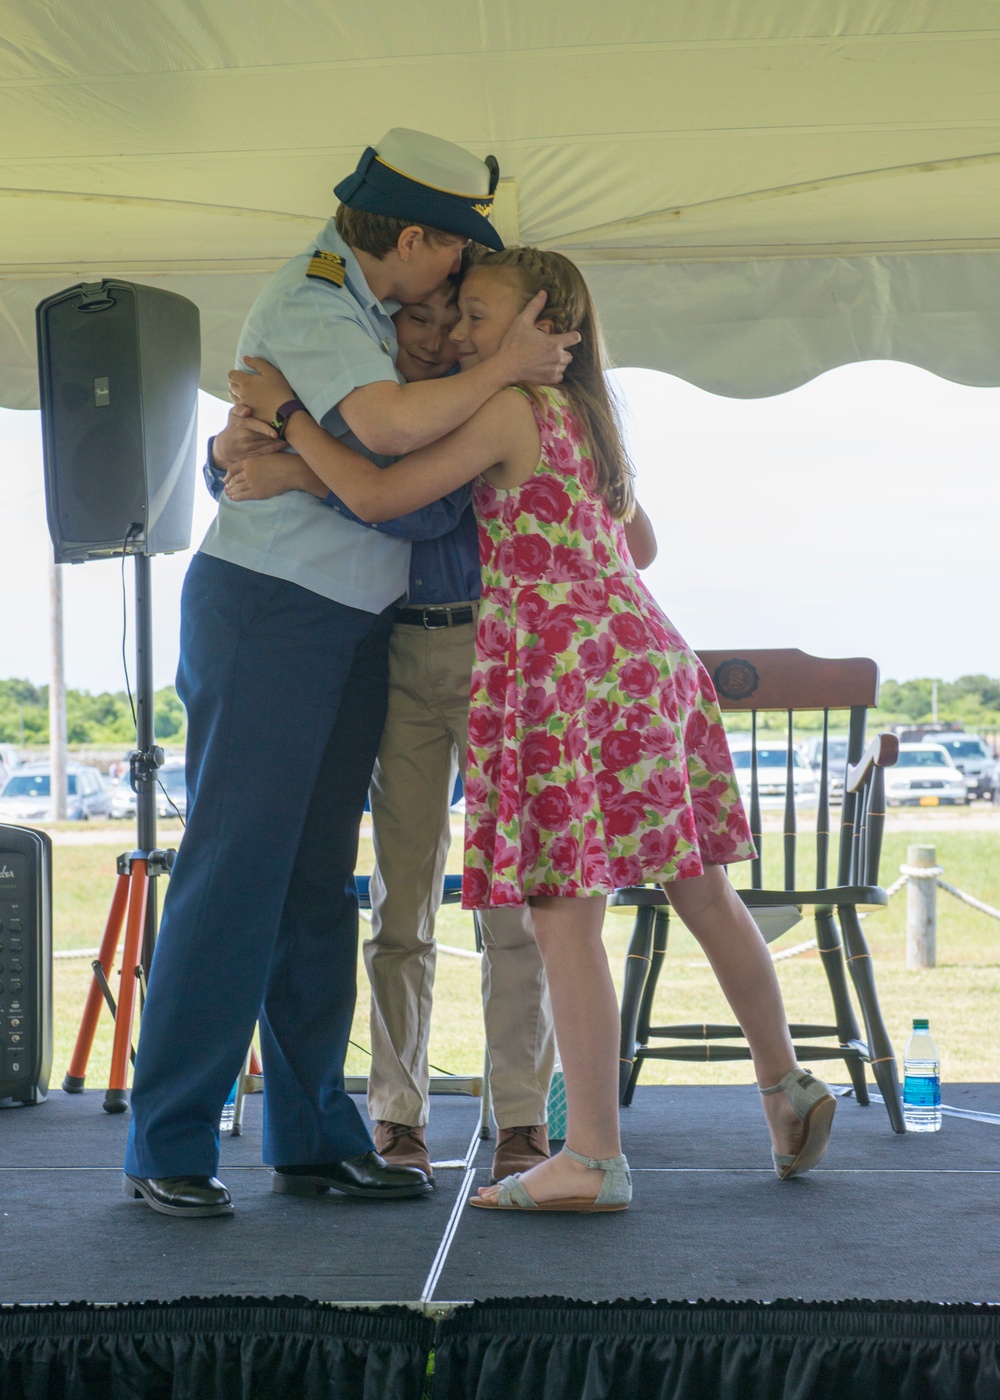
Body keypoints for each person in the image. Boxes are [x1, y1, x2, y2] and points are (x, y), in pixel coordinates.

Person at [227, 245, 836, 1215]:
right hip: (647, 656)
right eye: (459, 315)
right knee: (703, 891)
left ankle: (591, 1155)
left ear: (544, 324)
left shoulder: (506, 407)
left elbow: (387, 496)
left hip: (565, 667)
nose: (461, 332)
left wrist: (293, 422)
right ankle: (784, 1083)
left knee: (559, 912)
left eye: (479, 316)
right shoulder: (589, 416)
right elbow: (637, 542)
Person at [121, 130, 580, 1220]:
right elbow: (383, 433)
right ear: (413, 238)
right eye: (456, 253)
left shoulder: (379, 312)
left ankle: (315, 1132)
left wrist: (279, 449)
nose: (459, 280)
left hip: (350, 624)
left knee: (319, 890)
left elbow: (405, 477)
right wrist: (502, 367)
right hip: (271, 612)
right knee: (235, 875)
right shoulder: (318, 295)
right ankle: (169, 1139)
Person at [210, 284, 558, 1185]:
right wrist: (226, 449)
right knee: (399, 903)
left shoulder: (483, 402)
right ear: (388, 322)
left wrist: (293, 466)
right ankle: (396, 1114)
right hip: (401, 653)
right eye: (421, 319)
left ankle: (520, 1116)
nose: (440, 337)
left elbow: (421, 509)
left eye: (458, 320)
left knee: (510, 904)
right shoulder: (362, 402)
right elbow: (228, 462)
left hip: (493, 650)